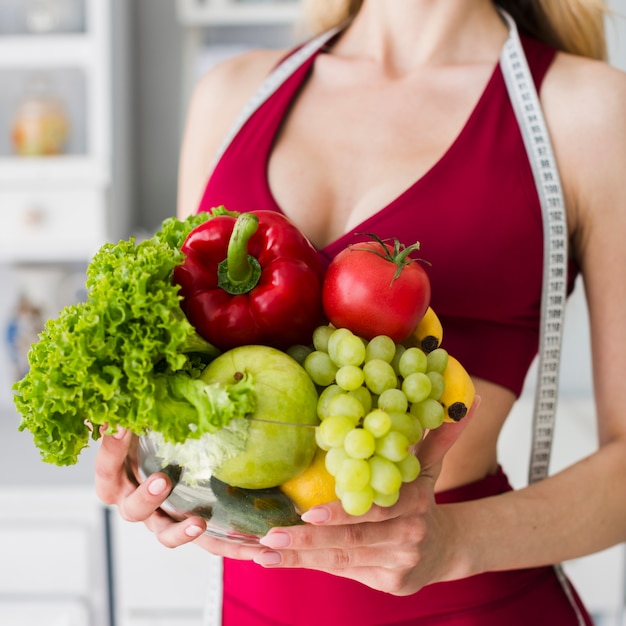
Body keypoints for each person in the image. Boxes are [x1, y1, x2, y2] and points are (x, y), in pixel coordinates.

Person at [95, 1, 626, 624]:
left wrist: (455, 542)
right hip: (252, 608)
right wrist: (146, 467)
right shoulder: (231, 96)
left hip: (468, 608)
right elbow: (179, 364)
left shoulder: (584, 109)